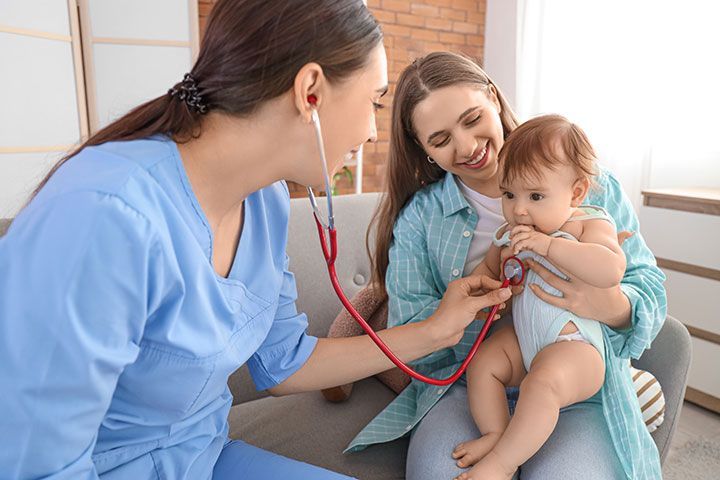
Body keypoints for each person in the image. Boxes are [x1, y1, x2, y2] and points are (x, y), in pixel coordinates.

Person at [0, 3, 512, 479]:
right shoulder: (101, 215)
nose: (373, 133)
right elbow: (39, 463)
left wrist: (435, 331)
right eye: (373, 102)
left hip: (203, 457)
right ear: (310, 91)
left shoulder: (264, 203)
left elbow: (283, 362)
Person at [349, 52, 666, 480]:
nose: (466, 146)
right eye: (440, 140)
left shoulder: (589, 184)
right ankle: (501, 437)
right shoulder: (420, 219)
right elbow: (415, 340)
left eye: (472, 118)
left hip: (574, 380)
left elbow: (647, 288)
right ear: (424, 151)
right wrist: (472, 309)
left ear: (494, 99)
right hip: (470, 384)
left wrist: (607, 304)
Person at [454, 114, 628, 480]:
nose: (519, 208)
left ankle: (502, 464)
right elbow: (485, 273)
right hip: (525, 341)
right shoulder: (510, 231)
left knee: (542, 382)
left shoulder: (588, 222)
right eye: (509, 194)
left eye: (535, 196)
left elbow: (609, 269)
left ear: (576, 193)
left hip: (574, 346)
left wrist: (550, 246)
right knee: (484, 363)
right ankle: (497, 433)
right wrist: (489, 286)